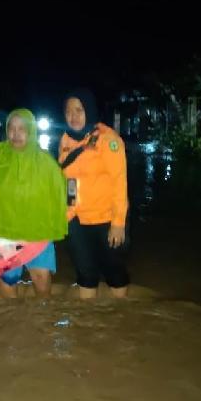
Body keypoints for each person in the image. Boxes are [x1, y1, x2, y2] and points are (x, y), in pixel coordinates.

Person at [0, 108, 67, 298]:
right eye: (11, 128)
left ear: (31, 132)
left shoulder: (45, 162)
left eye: (22, 128)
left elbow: (63, 193)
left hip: (37, 232)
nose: (15, 134)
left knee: (43, 290)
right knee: (8, 299)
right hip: (3, 235)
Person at [58, 88, 130, 299]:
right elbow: (69, 179)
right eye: (69, 111)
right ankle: (88, 325)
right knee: (85, 273)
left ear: (89, 110)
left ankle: (121, 317)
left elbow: (119, 183)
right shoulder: (66, 141)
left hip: (107, 218)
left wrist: (118, 224)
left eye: (79, 110)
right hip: (78, 220)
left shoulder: (109, 140)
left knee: (114, 272)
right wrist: (68, 215)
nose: (74, 116)